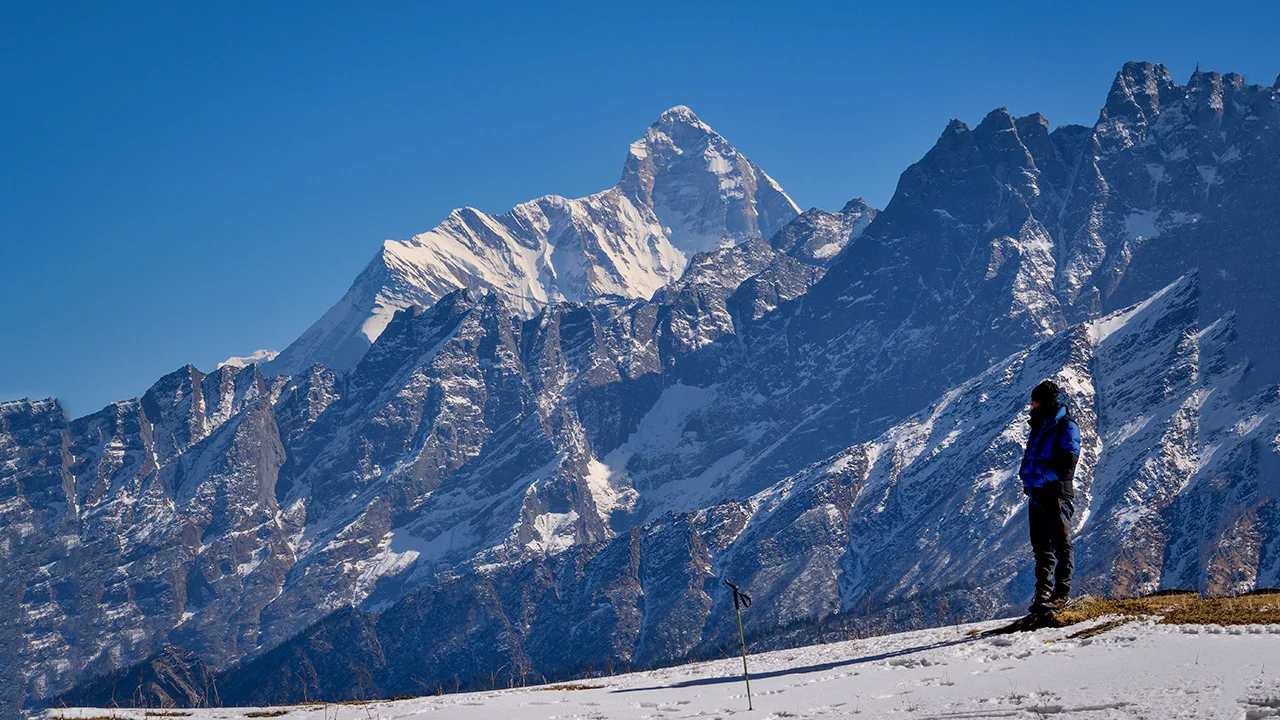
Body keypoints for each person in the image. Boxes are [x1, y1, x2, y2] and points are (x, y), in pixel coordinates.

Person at [1019, 379, 1081, 612]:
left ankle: (1061, 594)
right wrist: (1027, 480)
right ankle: (1043, 592)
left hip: (1056, 494)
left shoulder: (1066, 426)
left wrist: (1043, 479)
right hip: (1036, 494)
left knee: (1061, 545)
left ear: (1043, 401)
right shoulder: (1038, 426)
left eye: (1035, 401)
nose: (1032, 405)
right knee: (1041, 547)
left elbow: (1068, 462)